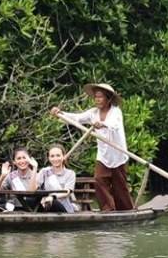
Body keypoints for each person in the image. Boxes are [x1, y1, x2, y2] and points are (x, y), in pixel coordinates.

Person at [50, 83, 134, 211]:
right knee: (99, 180)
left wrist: (103, 124)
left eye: (100, 97)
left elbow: (114, 124)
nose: (97, 100)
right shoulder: (93, 113)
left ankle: (127, 211)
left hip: (118, 155)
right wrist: (60, 113)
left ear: (108, 98)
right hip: (103, 156)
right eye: (95, 97)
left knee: (120, 186)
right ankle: (108, 209)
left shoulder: (116, 112)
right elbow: (77, 118)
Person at [35, 144, 77, 213]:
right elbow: (35, 187)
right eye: (52, 156)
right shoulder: (44, 171)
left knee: (53, 203)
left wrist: (52, 197)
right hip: (47, 204)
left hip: (64, 207)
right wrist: (34, 168)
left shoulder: (70, 173)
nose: (55, 159)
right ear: (49, 158)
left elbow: (67, 192)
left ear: (63, 156)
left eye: (58, 155)